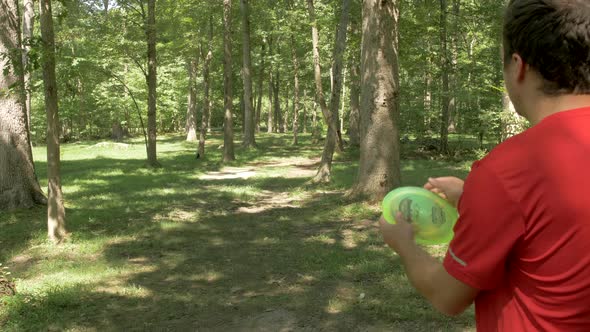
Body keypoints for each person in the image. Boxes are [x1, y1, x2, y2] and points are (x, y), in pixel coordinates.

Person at [378, 0, 590, 330]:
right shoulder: (507, 183)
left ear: (519, 66)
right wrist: (472, 200)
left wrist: (402, 242)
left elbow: (448, 295)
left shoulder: (507, 171)